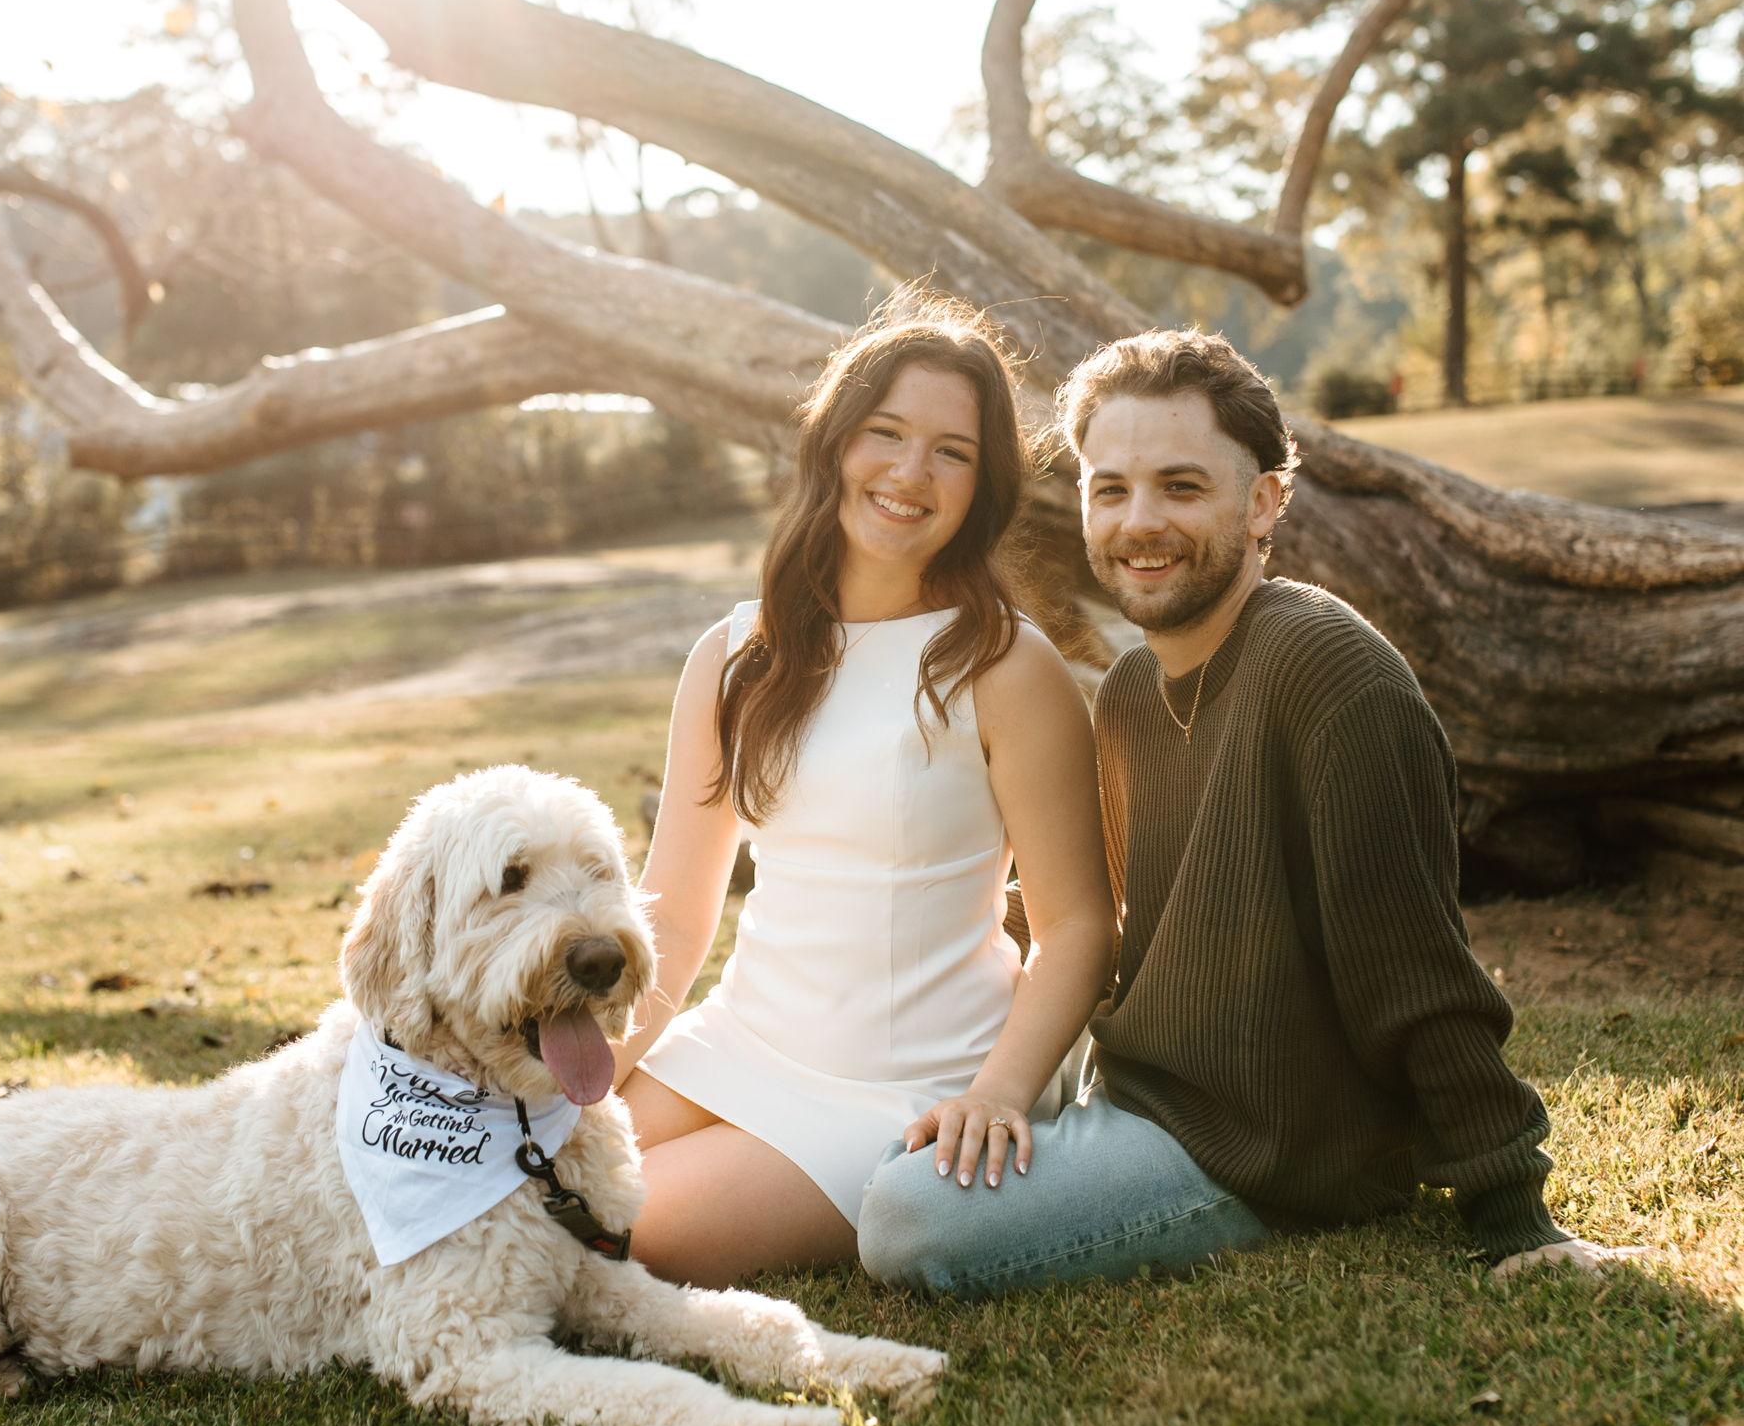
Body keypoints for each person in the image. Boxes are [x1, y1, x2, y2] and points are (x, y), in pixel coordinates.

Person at [856, 327, 1645, 1293]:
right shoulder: (1132, 692)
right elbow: (1084, 912)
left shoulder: (1328, 673)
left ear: (1263, 501)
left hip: (1255, 1151)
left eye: (1181, 487)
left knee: (905, 1219)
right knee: (877, 1109)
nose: (1140, 521)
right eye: (1112, 489)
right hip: (1135, 1084)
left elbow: (1416, 970)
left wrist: (1514, 1212)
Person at [612, 289, 1116, 1285]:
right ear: (835, 441)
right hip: (739, 1041)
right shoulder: (733, 653)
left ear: (981, 486)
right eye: (885, 433)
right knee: (512, 1173)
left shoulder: (1006, 665)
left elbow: (1077, 928)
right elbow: (671, 911)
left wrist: (997, 1093)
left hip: (903, 1086)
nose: (909, 472)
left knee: (610, 1226)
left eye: (951, 451)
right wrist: (595, 1071)